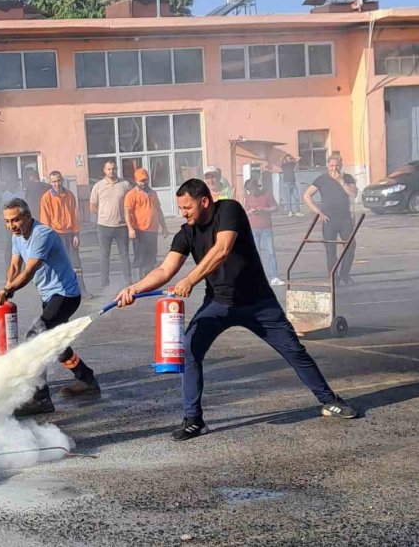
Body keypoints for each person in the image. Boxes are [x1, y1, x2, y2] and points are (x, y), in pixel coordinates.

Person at [115, 179, 357, 441]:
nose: (183, 213)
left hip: (258, 303)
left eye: (187, 207)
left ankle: (329, 400)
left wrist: (189, 280)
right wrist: (134, 289)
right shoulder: (186, 233)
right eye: (180, 208)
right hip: (218, 303)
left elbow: (222, 249)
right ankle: (194, 420)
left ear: (204, 202)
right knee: (189, 349)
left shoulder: (229, 210)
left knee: (294, 350)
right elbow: (165, 270)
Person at [0, 198, 100, 417]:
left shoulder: (43, 234)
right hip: (50, 296)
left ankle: (41, 399)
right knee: (56, 343)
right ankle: (86, 379)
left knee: (36, 337)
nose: (12, 225)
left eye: (16, 220)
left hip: (65, 294)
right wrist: (6, 287)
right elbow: (15, 265)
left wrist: (8, 290)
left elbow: (30, 270)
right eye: (7, 221)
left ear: (28, 216)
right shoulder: (17, 237)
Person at [303, 155, 358, 284]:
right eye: (332, 166)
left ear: (341, 165)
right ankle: (333, 276)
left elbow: (353, 194)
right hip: (328, 219)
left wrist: (341, 180)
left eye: (337, 165)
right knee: (330, 249)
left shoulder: (347, 178)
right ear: (328, 166)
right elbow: (306, 195)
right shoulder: (322, 179)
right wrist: (318, 212)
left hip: (345, 219)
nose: (334, 168)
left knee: (350, 246)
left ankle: (345, 274)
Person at [40, 170, 90, 296]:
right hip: (55, 235)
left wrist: (76, 234)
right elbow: (45, 220)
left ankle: (81, 290)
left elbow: (74, 215)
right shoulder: (46, 198)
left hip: (70, 234)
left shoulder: (70, 195)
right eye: (54, 182)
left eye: (58, 181)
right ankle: (60, 292)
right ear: (50, 183)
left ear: (62, 180)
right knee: (58, 264)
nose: (57, 184)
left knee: (75, 263)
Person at [89, 160, 132, 291]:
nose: (111, 171)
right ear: (104, 170)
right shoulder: (98, 186)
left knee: (124, 255)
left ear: (117, 169)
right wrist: (103, 213)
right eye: (108, 169)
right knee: (104, 255)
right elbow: (92, 206)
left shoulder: (125, 185)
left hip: (121, 226)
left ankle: (128, 281)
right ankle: (104, 283)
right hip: (104, 226)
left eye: (113, 169)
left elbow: (131, 204)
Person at [124, 168, 168, 279]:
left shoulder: (153, 193)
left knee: (152, 256)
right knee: (140, 257)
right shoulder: (131, 194)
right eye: (141, 181)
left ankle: (150, 279)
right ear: (135, 180)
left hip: (152, 230)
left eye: (145, 180)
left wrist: (164, 227)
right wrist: (130, 229)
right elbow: (127, 213)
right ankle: (140, 280)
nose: (143, 183)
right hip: (139, 230)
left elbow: (158, 210)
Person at [243, 178, 284, 286]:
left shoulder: (267, 194)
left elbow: (276, 208)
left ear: (257, 187)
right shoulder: (248, 197)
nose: (252, 193)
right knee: (256, 254)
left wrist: (264, 210)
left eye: (253, 190)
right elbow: (245, 212)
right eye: (250, 191)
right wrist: (250, 212)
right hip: (253, 228)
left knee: (271, 253)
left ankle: (274, 277)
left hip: (266, 228)